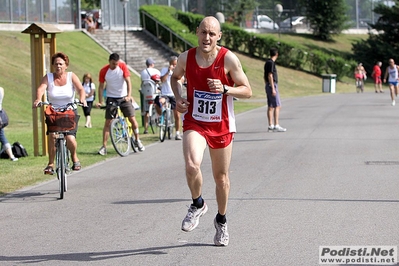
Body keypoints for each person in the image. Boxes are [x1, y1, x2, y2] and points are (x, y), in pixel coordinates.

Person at [170, 16, 252, 246]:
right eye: (203, 32)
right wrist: (178, 97)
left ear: (219, 36)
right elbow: (175, 78)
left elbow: (247, 90)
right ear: (197, 32)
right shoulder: (186, 57)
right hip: (195, 120)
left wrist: (226, 88)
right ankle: (197, 204)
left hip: (221, 125)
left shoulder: (228, 59)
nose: (207, 37)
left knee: (221, 178)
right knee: (192, 164)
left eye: (212, 34)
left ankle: (221, 220)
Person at [33, 52, 87, 174]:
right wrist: (38, 99)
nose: (58, 66)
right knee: (52, 136)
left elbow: (80, 89)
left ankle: (74, 157)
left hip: (69, 111)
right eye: (56, 64)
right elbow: (41, 88)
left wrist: (82, 99)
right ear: (53, 65)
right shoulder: (48, 77)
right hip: (54, 112)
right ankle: (51, 164)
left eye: (61, 64)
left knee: (70, 138)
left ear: (66, 65)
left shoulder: (71, 76)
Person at [96, 53, 144, 155]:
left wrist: (129, 96)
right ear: (109, 61)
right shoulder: (104, 71)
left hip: (123, 97)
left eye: (116, 64)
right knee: (108, 122)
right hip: (111, 98)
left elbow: (128, 82)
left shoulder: (122, 66)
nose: (115, 66)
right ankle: (104, 147)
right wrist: (100, 101)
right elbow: (100, 86)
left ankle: (137, 140)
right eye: (113, 64)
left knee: (132, 118)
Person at [155, 55, 182, 140]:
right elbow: (162, 80)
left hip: (174, 94)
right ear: (170, 64)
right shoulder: (164, 70)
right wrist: (168, 71)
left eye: (175, 65)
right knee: (160, 102)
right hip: (165, 94)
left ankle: (177, 132)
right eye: (173, 65)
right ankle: (161, 117)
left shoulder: (180, 70)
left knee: (177, 114)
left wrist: (176, 73)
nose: (174, 66)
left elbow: (181, 80)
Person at [264, 47, 286, 132]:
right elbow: (270, 75)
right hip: (272, 85)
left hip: (268, 85)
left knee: (271, 106)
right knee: (277, 105)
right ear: (277, 54)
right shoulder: (271, 63)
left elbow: (265, 76)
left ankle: (271, 125)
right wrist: (273, 88)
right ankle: (276, 124)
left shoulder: (267, 62)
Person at [140, 57, 161, 134]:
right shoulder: (156, 71)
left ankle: (146, 129)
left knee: (146, 112)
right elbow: (158, 81)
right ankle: (159, 120)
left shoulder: (143, 72)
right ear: (152, 64)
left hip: (146, 93)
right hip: (154, 93)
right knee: (158, 105)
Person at [0, 87, 18, 161]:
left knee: (2, 136)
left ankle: (11, 156)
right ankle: (11, 156)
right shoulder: (1, 89)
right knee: (1, 135)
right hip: (0, 113)